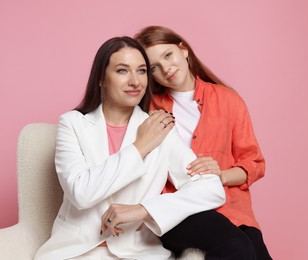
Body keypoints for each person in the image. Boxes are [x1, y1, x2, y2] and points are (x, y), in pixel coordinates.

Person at [33, 36, 225, 260]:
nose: (135, 81)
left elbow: (211, 189)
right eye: (123, 71)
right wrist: (140, 147)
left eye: (142, 71)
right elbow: (81, 192)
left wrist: (145, 209)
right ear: (101, 79)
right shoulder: (72, 124)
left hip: (138, 253)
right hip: (77, 251)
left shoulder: (160, 127)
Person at [135, 26, 272, 259]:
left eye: (168, 55)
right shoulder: (148, 109)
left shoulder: (228, 100)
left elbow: (254, 163)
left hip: (230, 206)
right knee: (237, 246)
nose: (165, 68)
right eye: (154, 68)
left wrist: (221, 175)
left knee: (255, 248)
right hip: (176, 206)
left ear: (184, 51)